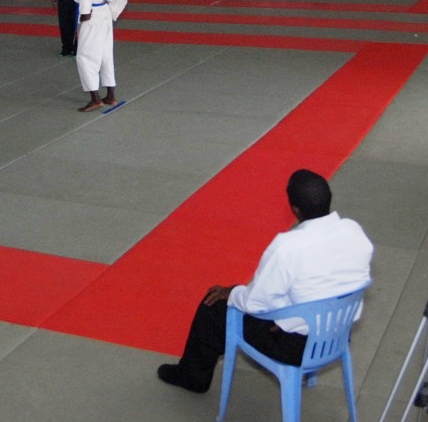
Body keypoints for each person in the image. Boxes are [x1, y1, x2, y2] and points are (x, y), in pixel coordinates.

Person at [157, 169, 373, 394]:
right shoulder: (354, 231)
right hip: (338, 335)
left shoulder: (287, 247)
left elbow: (255, 304)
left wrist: (231, 292)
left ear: (295, 209)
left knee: (213, 306)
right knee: (294, 295)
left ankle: (192, 378)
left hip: (296, 347)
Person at [73, 0, 128, 112]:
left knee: (83, 56)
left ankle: (95, 99)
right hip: (105, 12)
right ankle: (110, 95)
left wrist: (84, 15)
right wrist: (113, 11)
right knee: (105, 55)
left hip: (91, 13)